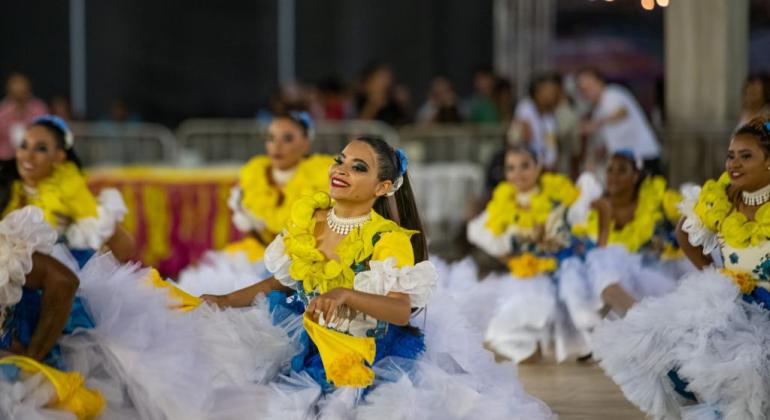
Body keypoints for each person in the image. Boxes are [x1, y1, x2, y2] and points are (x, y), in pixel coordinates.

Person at [199, 136, 552, 418]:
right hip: (303, 337)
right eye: (340, 160)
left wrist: (346, 295)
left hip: (366, 349)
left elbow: (399, 310)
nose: (341, 169)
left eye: (358, 167)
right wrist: (225, 301)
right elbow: (284, 282)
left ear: (382, 187)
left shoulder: (389, 239)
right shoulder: (309, 218)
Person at [594, 116, 770, 419]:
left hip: (764, 321)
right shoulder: (723, 200)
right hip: (731, 305)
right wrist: (713, 272)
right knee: (664, 349)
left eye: (746, 156)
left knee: (748, 380)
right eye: (730, 156)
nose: (734, 164)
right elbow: (685, 234)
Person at [463, 145, 609, 363]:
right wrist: (516, 261)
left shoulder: (558, 192)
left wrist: (601, 246)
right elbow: (490, 240)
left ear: (538, 166)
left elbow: (601, 206)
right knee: (504, 329)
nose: (518, 174)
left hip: (569, 267)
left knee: (581, 310)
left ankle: (597, 343)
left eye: (524, 166)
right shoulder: (503, 202)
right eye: (511, 168)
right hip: (535, 275)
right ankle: (535, 346)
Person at [177, 112, 334, 296]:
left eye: (288, 138)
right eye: (271, 138)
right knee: (203, 281)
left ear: (305, 143)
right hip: (257, 253)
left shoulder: (323, 174)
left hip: (301, 260)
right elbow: (256, 233)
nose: (277, 146)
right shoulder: (255, 174)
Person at [0, 115, 134, 264]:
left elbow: (124, 247)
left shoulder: (71, 192)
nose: (28, 156)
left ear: (59, 156)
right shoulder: (6, 187)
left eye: (41, 148)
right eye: (24, 146)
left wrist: (73, 230)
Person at [576, 151, 692, 317]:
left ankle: (643, 319)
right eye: (610, 170)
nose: (613, 176)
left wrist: (672, 242)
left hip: (658, 277)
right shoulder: (593, 208)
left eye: (622, 170)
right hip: (617, 281)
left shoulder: (658, 198)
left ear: (636, 175)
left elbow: (691, 215)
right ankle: (639, 318)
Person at [576, 67, 662, 175]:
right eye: (583, 90)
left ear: (600, 82)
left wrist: (594, 124)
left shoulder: (612, 94)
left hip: (643, 155)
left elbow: (621, 112)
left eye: (589, 86)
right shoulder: (597, 111)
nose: (587, 92)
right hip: (625, 162)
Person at [511, 73, 563, 170]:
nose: (553, 94)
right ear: (537, 92)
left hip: (548, 167)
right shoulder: (525, 108)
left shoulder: (550, 114)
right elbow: (515, 139)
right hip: (527, 166)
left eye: (554, 91)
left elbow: (553, 143)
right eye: (549, 91)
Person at [0, 73, 48, 159]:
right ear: (9, 94)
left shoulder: (39, 109)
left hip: (34, 158)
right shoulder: (2, 111)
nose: (19, 99)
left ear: (28, 92)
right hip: (6, 159)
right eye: (15, 96)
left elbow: (45, 135)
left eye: (22, 94)